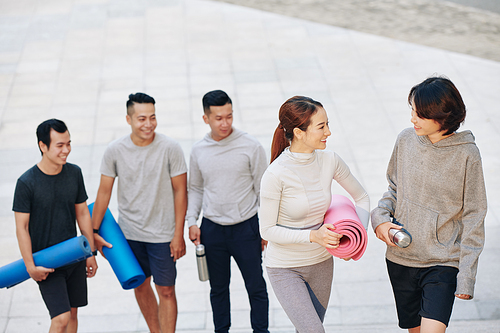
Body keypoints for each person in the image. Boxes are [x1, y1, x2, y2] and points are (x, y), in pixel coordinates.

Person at [371, 76, 487, 333]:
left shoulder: (467, 154)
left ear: (443, 116)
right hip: (401, 258)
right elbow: (393, 190)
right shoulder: (405, 140)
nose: (413, 119)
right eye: (412, 111)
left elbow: (474, 214)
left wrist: (466, 277)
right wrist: (379, 220)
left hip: (442, 262)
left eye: (420, 114)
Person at [259, 96, 370, 333]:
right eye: (321, 126)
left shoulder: (330, 160)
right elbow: (266, 230)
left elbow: (362, 197)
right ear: (299, 132)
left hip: (321, 264)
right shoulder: (275, 174)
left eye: (327, 124)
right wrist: (313, 236)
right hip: (284, 267)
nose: (328, 132)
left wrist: (356, 241)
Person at [91, 93, 187, 333]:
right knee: (141, 286)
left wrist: (178, 234)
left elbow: (180, 192)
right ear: (129, 119)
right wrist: (91, 232)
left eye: (152, 117)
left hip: (163, 234)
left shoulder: (170, 148)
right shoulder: (115, 150)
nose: (148, 124)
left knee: (166, 290)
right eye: (142, 118)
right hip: (130, 234)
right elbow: (103, 193)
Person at [187, 90, 270, 333]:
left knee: (256, 286)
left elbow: (263, 191)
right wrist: (192, 221)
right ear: (206, 119)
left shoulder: (251, 146)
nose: (225, 123)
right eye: (218, 118)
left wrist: (265, 228)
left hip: (246, 227)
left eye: (229, 116)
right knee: (218, 289)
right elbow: (195, 188)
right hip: (212, 229)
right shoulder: (198, 150)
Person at [12, 119, 98, 333]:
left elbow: (82, 213)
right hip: (46, 263)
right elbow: (21, 228)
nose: (66, 150)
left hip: (74, 256)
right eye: (60, 145)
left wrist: (91, 252)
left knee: (73, 314)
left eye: (68, 144)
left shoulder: (74, 173)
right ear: (43, 146)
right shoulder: (26, 183)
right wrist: (30, 266)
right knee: (61, 318)